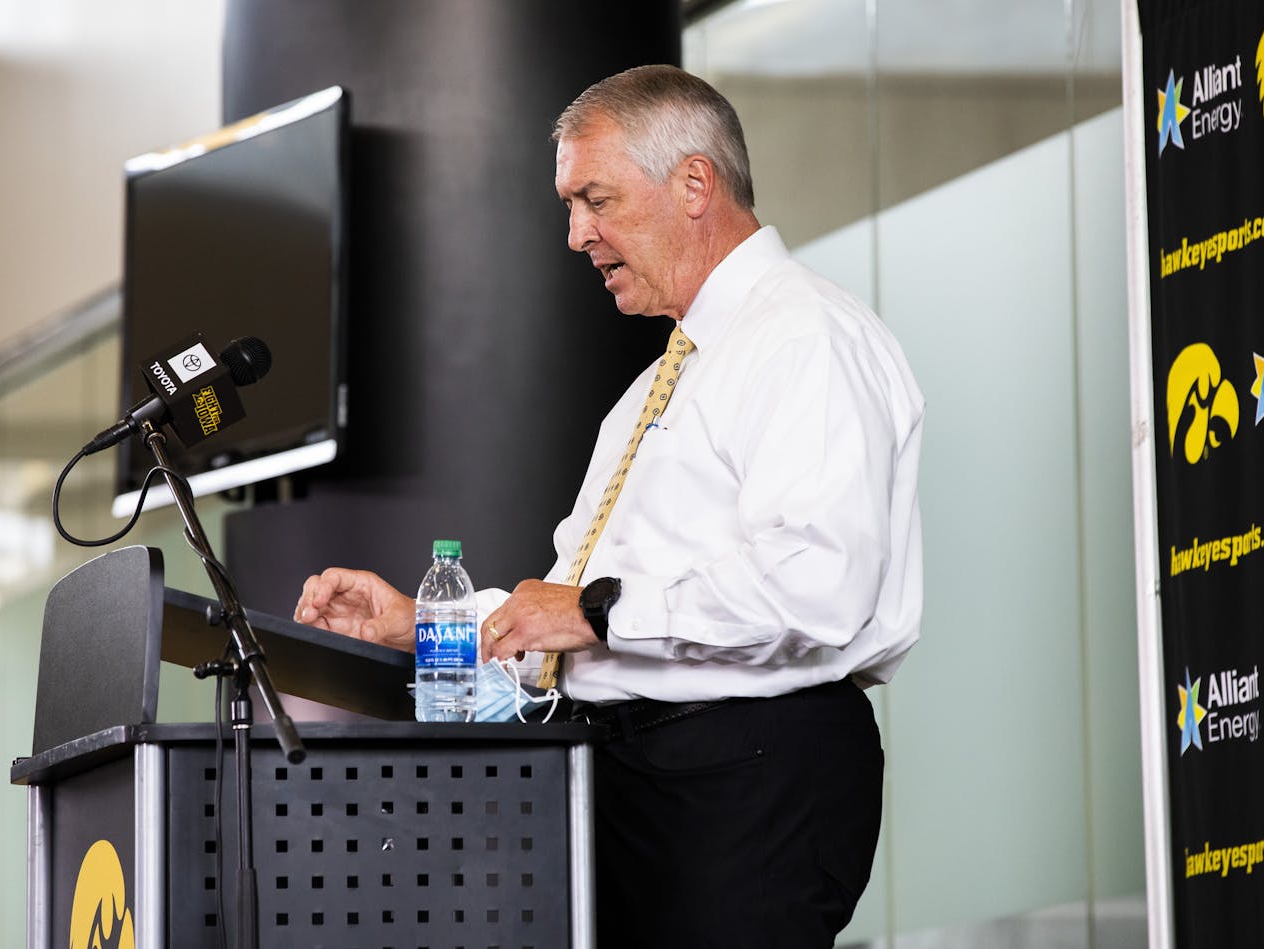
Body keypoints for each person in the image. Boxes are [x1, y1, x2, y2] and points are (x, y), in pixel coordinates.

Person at [294, 64, 924, 948]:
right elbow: (574, 601)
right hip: (634, 779)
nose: (575, 233)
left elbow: (817, 582)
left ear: (695, 183)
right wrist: (425, 622)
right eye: (568, 204)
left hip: (745, 774)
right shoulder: (652, 390)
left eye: (595, 198)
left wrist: (595, 613)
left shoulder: (803, 339)